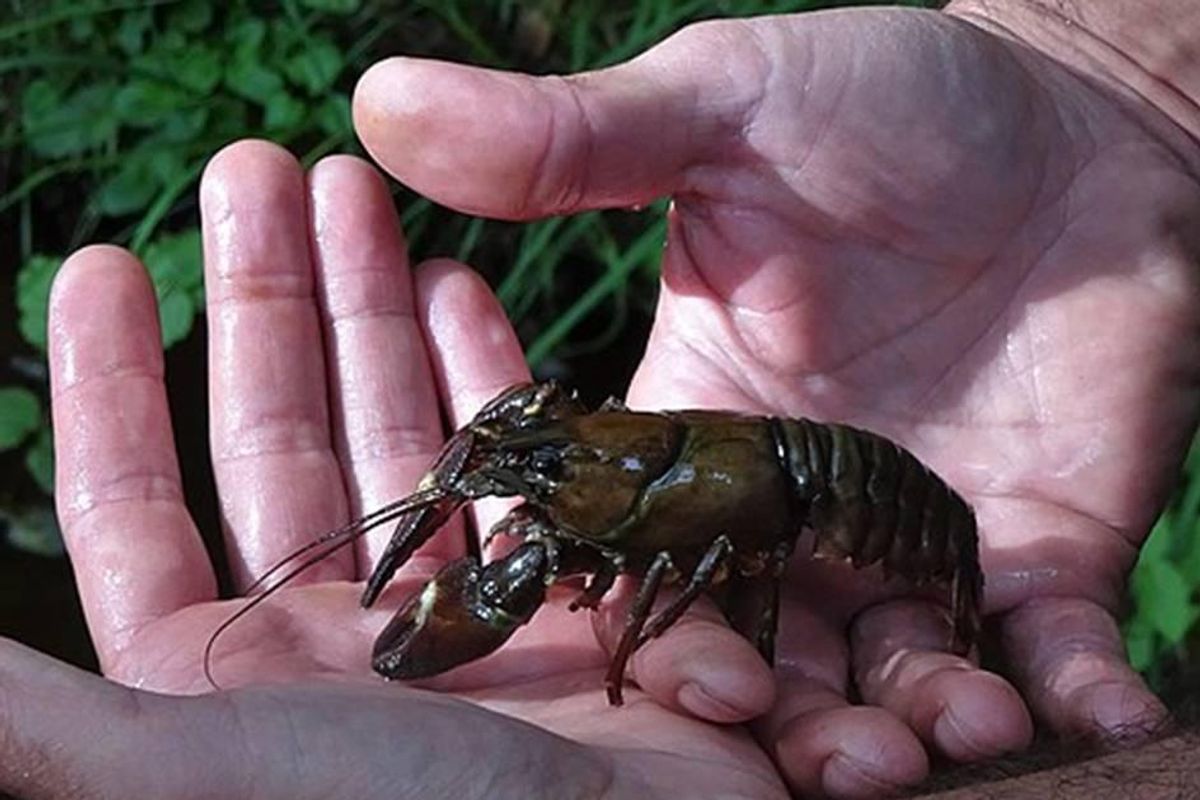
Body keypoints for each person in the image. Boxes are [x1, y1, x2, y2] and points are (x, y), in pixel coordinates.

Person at [2, 1, 1197, 798]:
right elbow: (551, 458)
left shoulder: (694, 512)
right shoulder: (598, 468)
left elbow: (724, 560)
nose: (532, 467)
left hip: (892, 507)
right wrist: (1108, 66)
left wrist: (1109, 73)